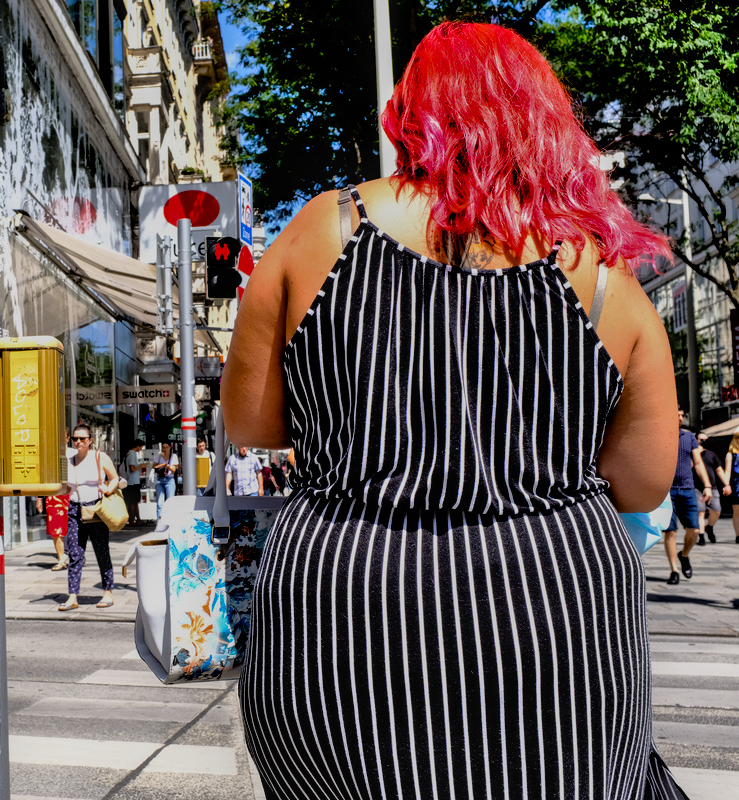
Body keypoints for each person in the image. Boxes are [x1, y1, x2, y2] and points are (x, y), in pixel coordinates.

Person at [221, 22, 686, 799]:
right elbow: (642, 482)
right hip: (554, 612)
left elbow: (251, 423)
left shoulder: (325, 230)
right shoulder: (599, 272)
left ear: (411, 114)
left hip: (345, 605)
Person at [59, 424, 118, 611]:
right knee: (75, 554)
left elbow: (115, 478)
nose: (78, 442)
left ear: (90, 440)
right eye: (75, 439)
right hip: (75, 509)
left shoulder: (100, 457)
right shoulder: (68, 460)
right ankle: (72, 596)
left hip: (96, 509)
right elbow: (66, 486)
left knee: (102, 551)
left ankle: (108, 592)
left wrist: (108, 489)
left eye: (82, 439)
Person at [663, 407, 712, 583]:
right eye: (677, 415)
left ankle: (684, 555)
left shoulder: (689, 437)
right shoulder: (661, 436)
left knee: (694, 530)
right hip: (667, 491)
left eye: (682, 415)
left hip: (687, 489)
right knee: (670, 531)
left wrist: (707, 485)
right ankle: (674, 571)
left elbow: (698, 463)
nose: (680, 418)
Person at [694, 432, 726, 544]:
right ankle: (701, 536)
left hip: (712, 487)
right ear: (696, 440)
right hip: (696, 487)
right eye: (701, 440)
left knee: (717, 510)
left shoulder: (711, 454)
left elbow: (719, 470)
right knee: (700, 511)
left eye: (706, 440)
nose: (704, 442)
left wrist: (726, 484)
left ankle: (709, 527)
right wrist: (696, 454)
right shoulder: (692, 454)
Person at [123, 439, 147, 525]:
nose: (141, 449)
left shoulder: (130, 454)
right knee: (133, 502)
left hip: (132, 481)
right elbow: (132, 468)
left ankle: (138, 519)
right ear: (137, 446)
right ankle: (132, 520)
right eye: (141, 447)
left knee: (135, 501)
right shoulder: (132, 454)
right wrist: (141, 466)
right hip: (133, 482)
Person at [151, 441, 178, 516]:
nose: (165, 449)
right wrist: (163, 465)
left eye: (167, 447)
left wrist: (168, 467)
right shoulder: (159, 456)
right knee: (160, 504)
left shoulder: (173, 456)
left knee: (170, 503)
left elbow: (173, 470)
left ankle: (169, 520)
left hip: (169, 479)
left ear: (170, 447)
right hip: (160, 479)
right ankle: (159, 520)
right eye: (163, 447)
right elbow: (154, 467)